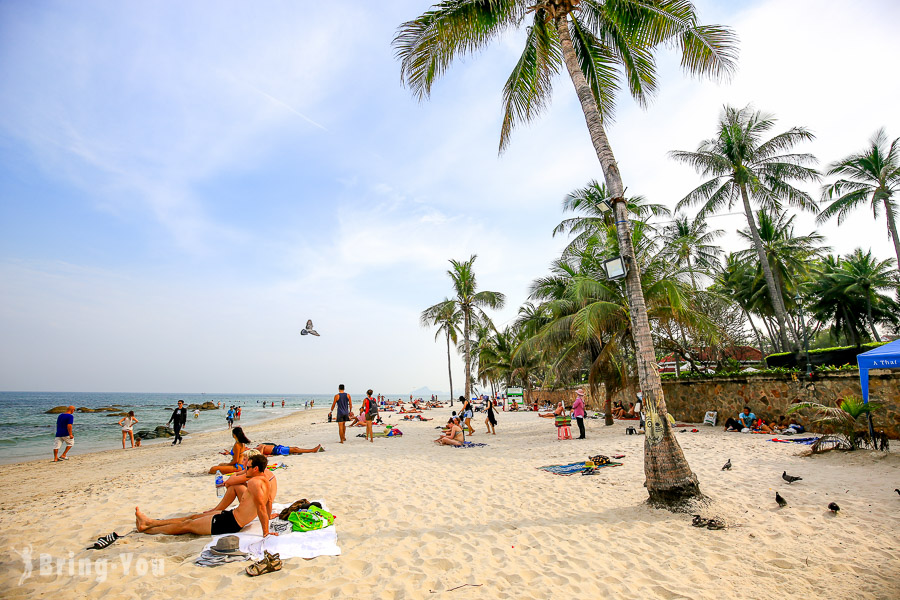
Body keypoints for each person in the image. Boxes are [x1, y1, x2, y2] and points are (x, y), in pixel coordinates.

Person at [136, 454, 276, 536]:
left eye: (248, 467)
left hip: (230, 524)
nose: (246, 469)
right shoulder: (265, 481)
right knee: (192, 517)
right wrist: (268, 521)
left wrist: (266, 532)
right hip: (230, 515)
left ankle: (147, 529)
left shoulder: (254, 483)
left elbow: (261, 508)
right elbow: (268, 502)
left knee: (188, 525)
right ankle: (150, 522)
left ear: (256, 468)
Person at [255, 443, 324, 455]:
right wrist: (263, 447)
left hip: (278, 448)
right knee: (295, 449)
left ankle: (312, 450)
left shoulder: (256, 448)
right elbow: (260, 455)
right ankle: (312, 450)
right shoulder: (255, 450)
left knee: (295, 448)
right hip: (277, 450)